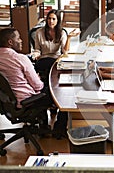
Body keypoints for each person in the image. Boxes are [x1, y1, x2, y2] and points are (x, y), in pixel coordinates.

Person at [32, 9, 80, 138]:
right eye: (49, 19)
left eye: (54, 19)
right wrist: (35, 54)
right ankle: (46, 118)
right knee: (48, 85)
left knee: (62, 89)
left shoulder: (62, 32)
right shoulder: (39, 32)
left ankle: (60, 125)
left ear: (58, 21)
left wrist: (69, 37)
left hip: (57, 61)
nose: (51, 21)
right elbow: (37, 49)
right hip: (43, 61)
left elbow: (65, 52)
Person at [0, 28, 50, 129]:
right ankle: (59, 128)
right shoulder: (20, 58)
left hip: (6, 101)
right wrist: (38, 78)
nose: (21, 41)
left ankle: (41, 123)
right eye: (18, 39)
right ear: (10, 42)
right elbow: (38, 86)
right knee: (55, 90)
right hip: (26, 100)